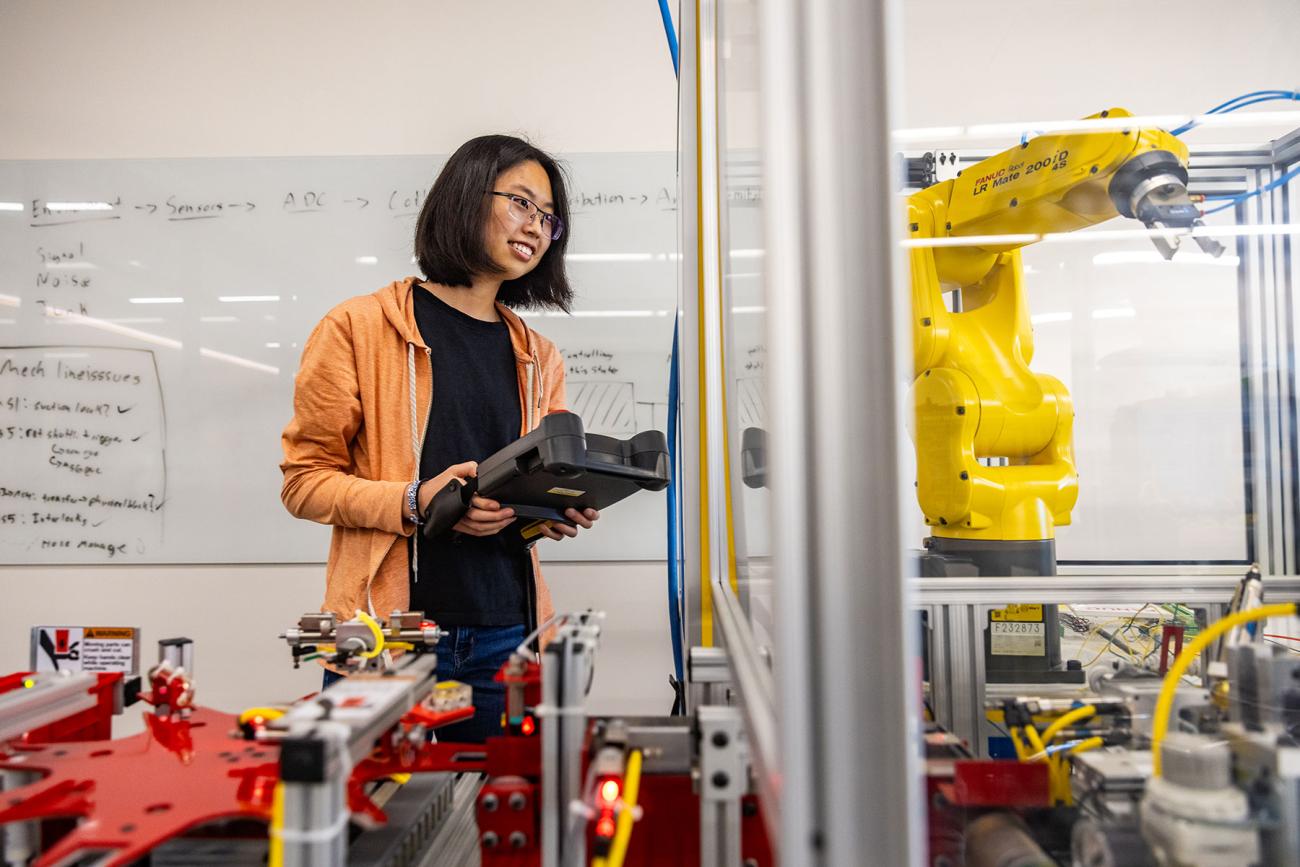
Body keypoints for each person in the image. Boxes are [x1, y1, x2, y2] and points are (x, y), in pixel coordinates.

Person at [280, 134, 598, 742]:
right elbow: (303, 483)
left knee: (495, 817)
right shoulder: (357, 327)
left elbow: (522, 488)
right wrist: (416, 500)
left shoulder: (538, 355)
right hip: (381, 634)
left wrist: (547, 509)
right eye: (522, 203)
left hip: (511, 633)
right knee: (380, 824)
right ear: (464, 197)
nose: (537, 225)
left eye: (550, 218)